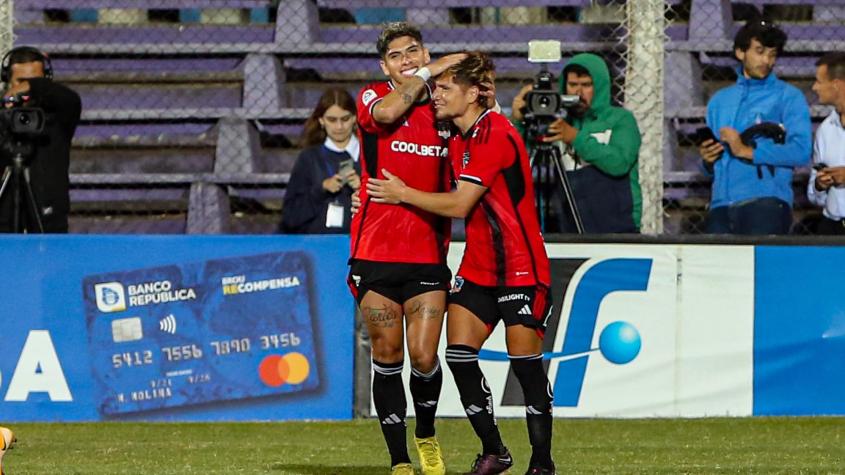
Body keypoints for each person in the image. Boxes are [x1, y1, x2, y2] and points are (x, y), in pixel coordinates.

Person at [368, 52, 556, 475]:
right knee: (458, 355)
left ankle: (542, 464)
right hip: (478, 269)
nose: (436, 96)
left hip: (522, 269)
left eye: (446, 89)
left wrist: (401, 195)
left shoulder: (497, 134)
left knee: (526, 369)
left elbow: (459, 203)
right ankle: (495, 451)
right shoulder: (455, 134)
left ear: (473, 94)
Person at [348, 21, 466, 475]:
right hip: (375, 251)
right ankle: (398, 459)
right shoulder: (373, 97)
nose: (406, 61)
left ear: (424, 51)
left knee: (423, 356)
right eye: (397, 56)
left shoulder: (443, 110)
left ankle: (427, 435)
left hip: (427, 255)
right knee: (388, 354)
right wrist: (431, 69)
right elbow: (382, 117)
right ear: (385, 66)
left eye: (413, 52)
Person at [697, 20, 811, 235]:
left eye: (772, 54)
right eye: (759, 52)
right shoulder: (719, 101)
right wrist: (707, 160)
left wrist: (748, 151)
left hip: (766, 202)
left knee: (764, 268)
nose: (766, 60)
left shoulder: (789, 96)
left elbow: (801, 151)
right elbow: (712, 164)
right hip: (720, 204)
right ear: (740, 52)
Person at [511, 52, 641, 234]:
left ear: (600, 86)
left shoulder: (621, 119)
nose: (578, 92)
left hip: (618, 227)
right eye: (573, 85)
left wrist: (575, 138)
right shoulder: (555, 124)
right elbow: (514, 164)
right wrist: (520, 123)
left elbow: (619, 163)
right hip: (570, 228)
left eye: (586, 85)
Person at [0, 46, 81, 233]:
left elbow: (70, 99)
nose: (24, 91)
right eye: (19, 81)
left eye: (35, 80)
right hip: (5, 208)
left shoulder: (59, 114)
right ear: (7, 80)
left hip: (48, 208)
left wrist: (30, 86)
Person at [279, 87, 361, 234]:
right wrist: (320, 190)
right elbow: (290, 216)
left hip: (361, 245)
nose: (339, 126)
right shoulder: (309, 158)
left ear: (355, 118)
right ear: (321, 120)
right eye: (332, 120)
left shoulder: (371, 155)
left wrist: (363, 190)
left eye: (345, 119)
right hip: (318, 243)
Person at [807, 52, 845, 235]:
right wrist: (820, 185)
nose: (814, 87)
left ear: (836, 85)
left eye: (819, 81)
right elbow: (814, 195)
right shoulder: (825, 130)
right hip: (832, 228)